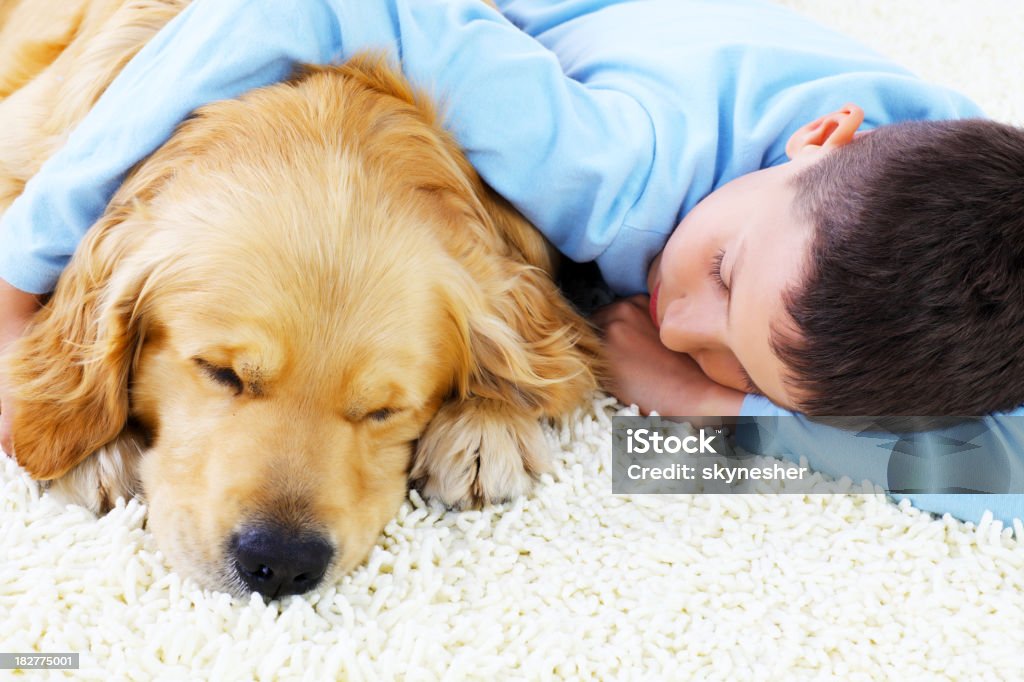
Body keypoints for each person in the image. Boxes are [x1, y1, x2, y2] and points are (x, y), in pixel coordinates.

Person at [2, 0, 1023, 524]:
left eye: (732, 359)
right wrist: (22, 270)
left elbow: (1003, 475)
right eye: (718, 274)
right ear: (822, 136)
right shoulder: (608, 166)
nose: (671, 324)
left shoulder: (970, 234)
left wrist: (718, 420)